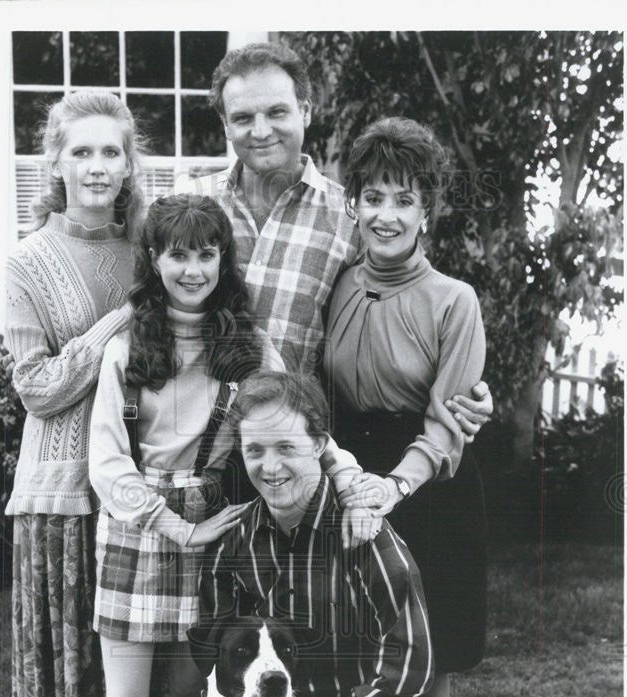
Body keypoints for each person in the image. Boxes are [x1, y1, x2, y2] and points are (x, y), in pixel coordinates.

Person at [88, 195, 369, 697]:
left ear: (223, 259)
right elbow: (104, 460)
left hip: (215, 530)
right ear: (153, 260)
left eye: (205, 254)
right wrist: (168, 523)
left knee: (193, 693)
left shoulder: (248, 345)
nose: (192, 270)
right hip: (137, 527)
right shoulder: (125, 346)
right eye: (177, 254)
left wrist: (350, 478)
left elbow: (298, 424)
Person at [196, 371, 442, 697]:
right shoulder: (234, 543)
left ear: (321, 447)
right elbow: (212, 651)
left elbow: (413, 652)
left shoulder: (364, 530)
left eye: (287, 446)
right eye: (255, 449)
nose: (270, 466)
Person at [184, 40, 491, 443]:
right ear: (225, 125)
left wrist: (462, 390)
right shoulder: (191, 207)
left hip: (295, 450)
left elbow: (404, 316)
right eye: (243, 117)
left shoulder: (350, 219)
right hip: (190, 443)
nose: (260, 131)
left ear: (306, 111)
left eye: (277, 112)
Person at [4, 91, 143, 697]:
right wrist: (111, 325)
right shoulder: (25, 261)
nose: (97, 167)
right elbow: (37, 387)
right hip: (57, 495)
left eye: (111, 152)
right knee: (61, 659)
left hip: (127, 486)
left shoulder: (144, 254)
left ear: (129, 166)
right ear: (54, 163)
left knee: (122, 661)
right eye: (81, 152)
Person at [325, 116, 489, 697]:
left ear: (428, 213)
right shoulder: (336, 284)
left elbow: (448, 425)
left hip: (430, 489)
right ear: (353, 205)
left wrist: (393, 486)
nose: (385, 216)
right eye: (372, 198)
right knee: (360, 641)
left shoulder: (454, 301)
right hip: (350, 476)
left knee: (430, 650)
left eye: (404, 200)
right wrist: (351, 483)